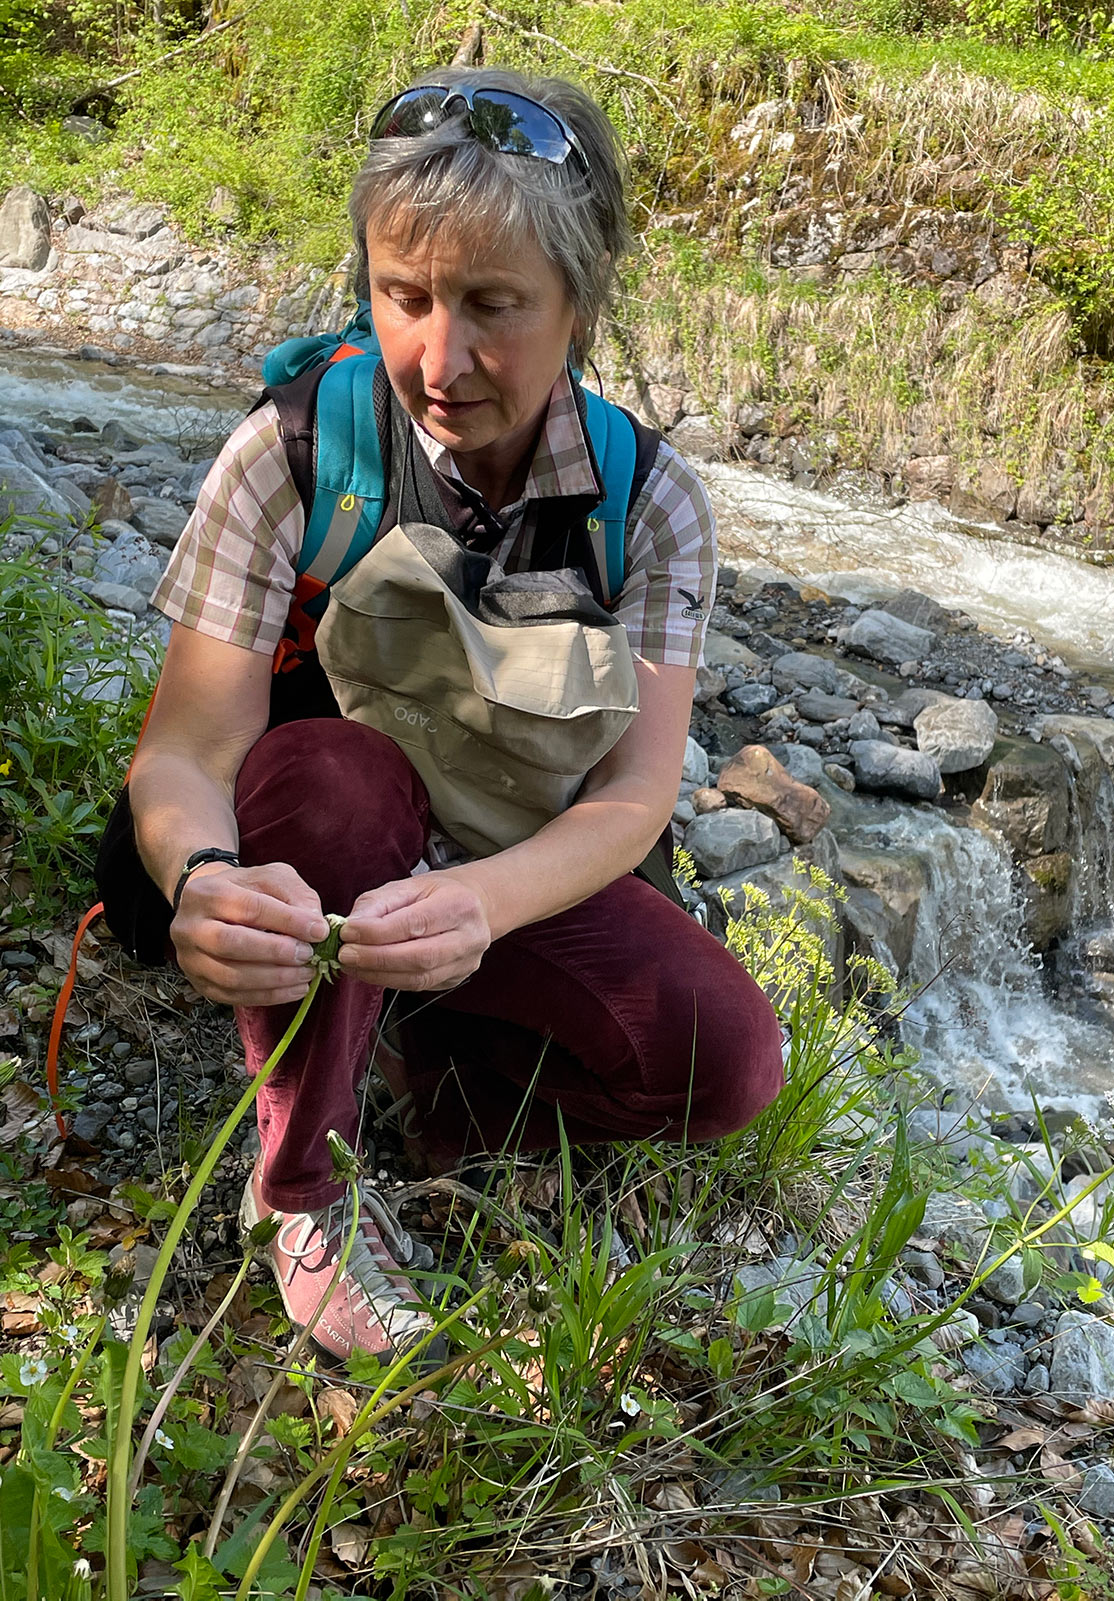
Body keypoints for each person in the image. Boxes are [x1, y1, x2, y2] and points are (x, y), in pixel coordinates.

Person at [110, 68, 784, 1362]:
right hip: (317, 842)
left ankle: (447, 1096)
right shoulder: (296, 449)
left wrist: (482, 903)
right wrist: (196, 875)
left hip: (511, 858)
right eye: (404, 297)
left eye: (493, 306)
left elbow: (638, 794)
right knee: (335, 780)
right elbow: (190, 747)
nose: (440, 355)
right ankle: (302, 1180)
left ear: (577, 306)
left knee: (728, 1063)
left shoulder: (650, 500)